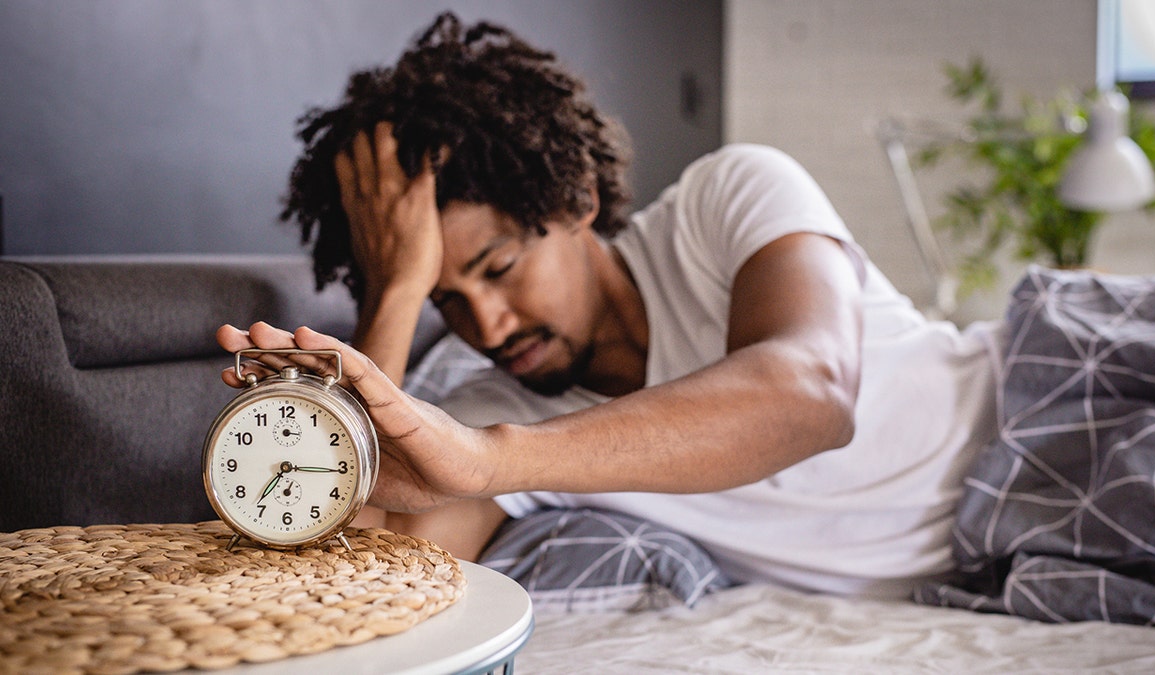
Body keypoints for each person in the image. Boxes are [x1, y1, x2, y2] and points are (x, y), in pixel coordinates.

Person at [217, 12, 999, 600]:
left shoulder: (725, 201)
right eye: (444, 298)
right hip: (1001, 564)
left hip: (1031, 411)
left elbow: (812, 397)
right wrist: (392, 293)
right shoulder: (493, 404)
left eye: (499, 266)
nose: (487, 326)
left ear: (579, 197)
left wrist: (490, 456)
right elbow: (348, 571)